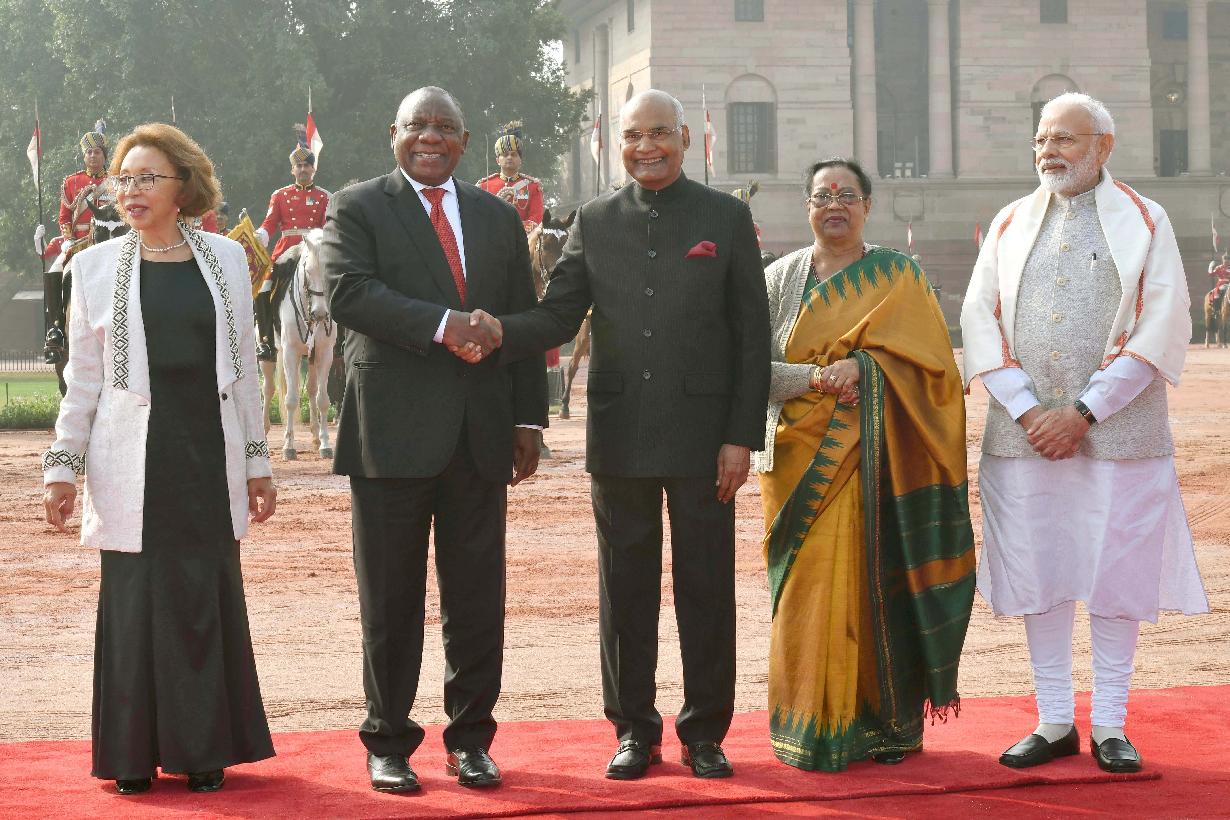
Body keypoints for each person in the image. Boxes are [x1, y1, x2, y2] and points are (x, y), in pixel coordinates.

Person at [493, 89, 771, 780]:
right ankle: (633, 730)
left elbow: (751, 336)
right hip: (619, 435)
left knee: (706, 585)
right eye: (632, 136)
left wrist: (741, 436)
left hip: (706, 437)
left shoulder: (725, 217)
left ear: (685, 138)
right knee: (624, 589)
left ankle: (704, 732)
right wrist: (495, 331)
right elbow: (558, 316)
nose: (646, 147)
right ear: (617, 145)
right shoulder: (595, 220)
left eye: (659, 133)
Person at [961, 92, 1209, 774]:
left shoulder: (1145, 220)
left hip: (1121, 434)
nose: (1050, 151)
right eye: (1042, 138)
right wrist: (1028, 410)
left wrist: (1085, 412)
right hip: (1024, 437)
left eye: (1065, 139)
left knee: (1114, 572)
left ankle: (1110, 724)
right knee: (1039, 570)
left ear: (1104, 146)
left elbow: (1162, 322)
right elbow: (979, 316)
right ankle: (1053, 721)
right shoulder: (1010, 221)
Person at [320, 86, 547, 794]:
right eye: (417, 124)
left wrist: (528, 419)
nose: (430, 136)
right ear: (394, 134)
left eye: (445, 126)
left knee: (476, 600)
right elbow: (349, 294)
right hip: (389, 435)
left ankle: (471, 740)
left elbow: (521, 317)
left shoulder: (495, 216)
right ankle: (388, 741)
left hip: (481, 434)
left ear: (465, 141)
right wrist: (448, 326)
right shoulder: (357, 206)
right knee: (390, 600)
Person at [41, 122, 277, 795]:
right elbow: (82, 381)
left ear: (184, 186)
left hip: (208, 454)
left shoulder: (227, 260)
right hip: (129, 461)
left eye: (147, 177)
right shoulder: (92, 267)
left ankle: (203, 750)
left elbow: (245, 373)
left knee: (202, 597)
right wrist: (62, 467)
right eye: (125, 179)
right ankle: (131, 756)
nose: (131, 190)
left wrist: (257, 462)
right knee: (135, 603)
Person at [755, 158, 973, 772]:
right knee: (808, 592)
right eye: (823, 195)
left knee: (874, 584)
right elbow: (750, 370)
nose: (835, 205)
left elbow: (937, 372)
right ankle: (809, 726)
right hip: (795, 462)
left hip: (880, 460)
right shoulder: (778, 281)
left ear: (868, 206)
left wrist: (868, 368)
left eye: (847, 195)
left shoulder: (899, 276)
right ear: (807, 206)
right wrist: (817, 378)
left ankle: (883, 725)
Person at [254, 140, 330, 360]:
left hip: (314, 252)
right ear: (293, 170)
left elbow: (328, 227)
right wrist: (260, 235)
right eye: (299, 166)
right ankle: (266, 340)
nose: (303, 169)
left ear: (314, 169)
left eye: (307, 166)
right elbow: (270, 223)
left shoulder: (325, 196)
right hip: (286, 252)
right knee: (263, 287)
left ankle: (338, 341)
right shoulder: (280, 195)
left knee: (336, 285)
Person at [477, 121, 544, 232]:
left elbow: (536, 218)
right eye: (505, 154)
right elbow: (478, 216)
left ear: (520, 160)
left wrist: (514, 228)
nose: (509, 157)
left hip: (522, 238)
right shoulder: (484, 186)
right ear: (497, 160)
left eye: (513, 154)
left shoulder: (532, 186)